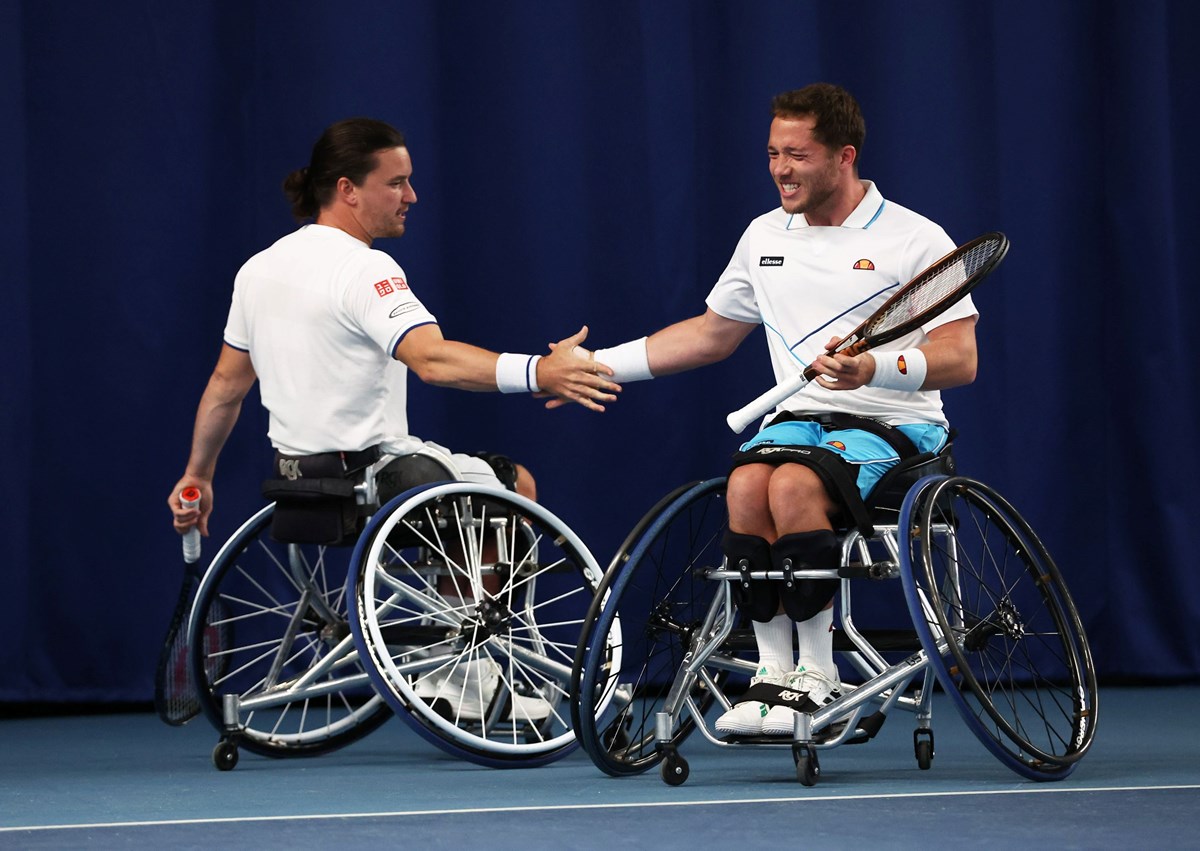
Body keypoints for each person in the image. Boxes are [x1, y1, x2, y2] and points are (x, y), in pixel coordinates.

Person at [167, 117, 619, 715]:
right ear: (348, 189)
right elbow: (431, 360)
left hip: (298, 485)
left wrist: (196, 475)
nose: (412, 197)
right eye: (397, 183)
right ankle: (466, 671)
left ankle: (451, 660)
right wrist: (542, 370)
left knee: (460, 485)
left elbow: (227, 385)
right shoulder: (366, 269)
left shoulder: (259, 268)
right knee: (516, 488)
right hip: (376, 481)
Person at [584, 83, 978, 737]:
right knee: (745, 485)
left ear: (843, 157)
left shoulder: (915, 239)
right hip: (800, 423)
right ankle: (772, 674)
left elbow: (961, 358)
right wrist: (599, 365)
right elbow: (710, 335)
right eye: (772, 153)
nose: (780, 169)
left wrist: (871, 367)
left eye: (796, 154)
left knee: (793, 484)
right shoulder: (764, 235)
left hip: (900, 426)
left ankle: (818, 673)